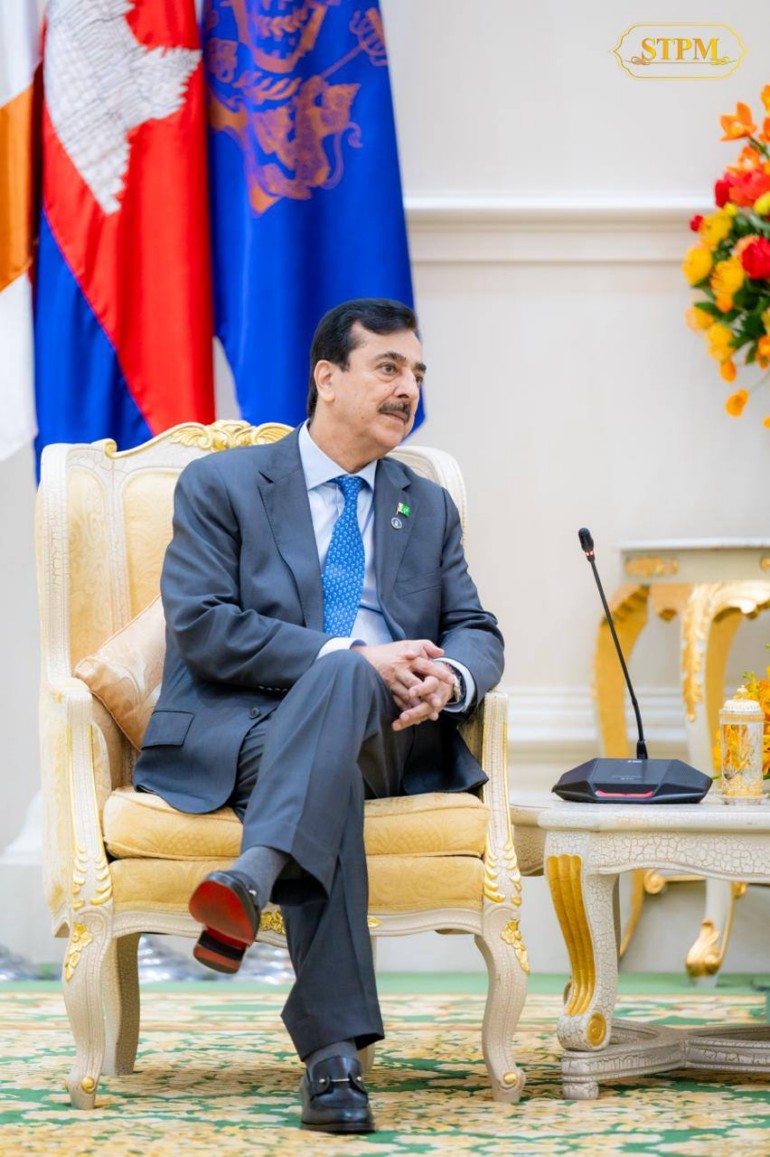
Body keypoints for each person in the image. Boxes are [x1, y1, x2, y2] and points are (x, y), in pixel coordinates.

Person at [133, 298, 504, 1134]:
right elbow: (203, 626)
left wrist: (447, 678)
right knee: (338, 696)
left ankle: (251, 877)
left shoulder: (424, 503)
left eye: (417, 374)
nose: (408, 388)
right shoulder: (224, 485)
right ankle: (332, 1061)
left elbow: (476, 629)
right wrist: (350, 656)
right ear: (327, 378)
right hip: (241, 733)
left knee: (348, 685)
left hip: (388, 737)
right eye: (388, 368)